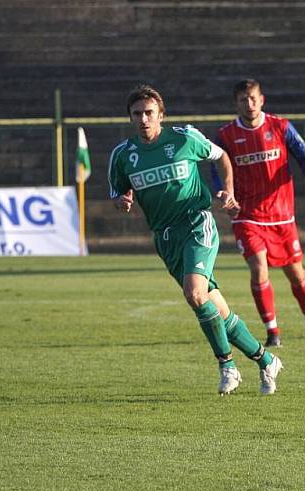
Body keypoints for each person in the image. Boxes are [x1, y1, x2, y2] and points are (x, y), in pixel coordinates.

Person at [108, 84, 282, 396]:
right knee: (218, 311)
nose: (144, 119)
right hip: (165, 237)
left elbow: (222, 156)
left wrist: (228, 189)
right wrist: (121, 200)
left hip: (197, 222)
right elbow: (118, 191)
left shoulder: (185, 138)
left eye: (149, 113)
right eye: (137, 114)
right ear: (130, 118)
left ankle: (227, 365)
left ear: (161, 115)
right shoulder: (123, 156)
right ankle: (266, 360)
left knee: (195, 294)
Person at [212, 79, 305, 348]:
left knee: (296, 273)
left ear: (262, 99)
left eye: (253, 98)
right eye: (243, 100)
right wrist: (222, 193)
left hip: (282, 215)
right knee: (259, 270)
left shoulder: (281, 126)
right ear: (236, 103)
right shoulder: (226, 135)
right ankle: (272, 331)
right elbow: (216, 167)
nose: (249, 104)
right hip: (247, 215)